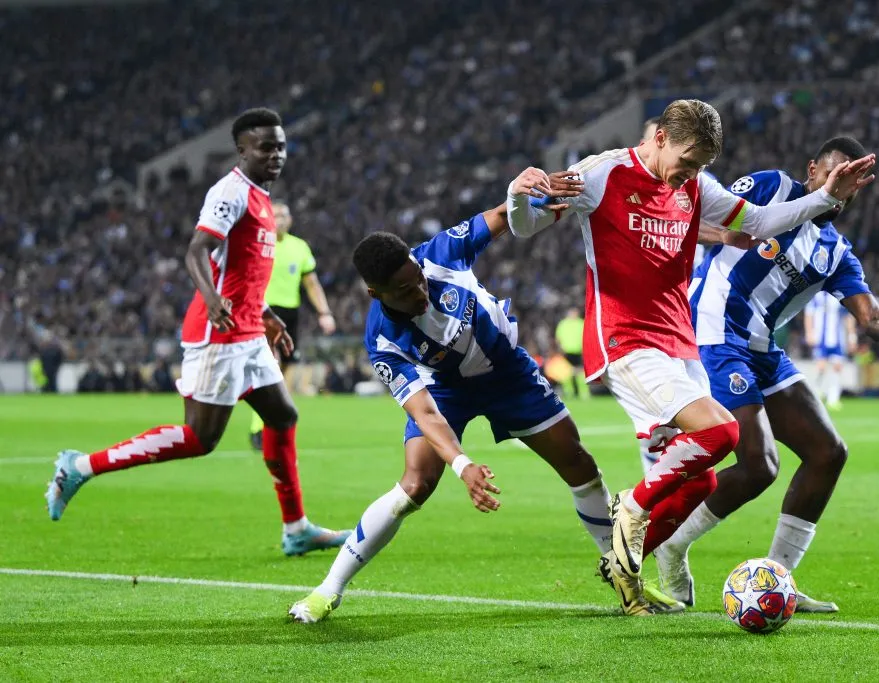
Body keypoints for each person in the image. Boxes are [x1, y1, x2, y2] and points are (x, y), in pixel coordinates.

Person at [506, 99, 876, 615]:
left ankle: (625, 572)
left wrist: (822, 199)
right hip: (625, 338)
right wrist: (518, 196)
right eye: (688, 160)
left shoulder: (695, 186)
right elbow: (526, 226)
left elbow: (764, 221)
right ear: (659, 138)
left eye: (702, 165)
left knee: (699, 478)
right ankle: (630, 513)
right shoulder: (602, 173)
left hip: (678, 343)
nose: (693, 174)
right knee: (723, 433)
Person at [288, 169, 685, 623]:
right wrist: (463, 465)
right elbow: (424, 412)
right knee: (415, 485)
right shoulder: (383, 341)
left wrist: (534, 200)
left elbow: (500, 216)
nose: (419, 291)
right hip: (445, 390)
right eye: (403, 292)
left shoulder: (440, 253)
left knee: (580, 465)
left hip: (509, 374)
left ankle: (623, 580)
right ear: (374, 294)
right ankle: (327, 591)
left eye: (416, 278)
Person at [45, 108, 350, 557]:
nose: (276, 154)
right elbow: (196, 252)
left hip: (248, 331)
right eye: (266, 147)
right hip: (219, 335)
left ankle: (296, 527)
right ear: (242, 150)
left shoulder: (263, 200)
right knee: (199, 439)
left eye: (281, 146)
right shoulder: (230, 192)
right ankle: (80, 466)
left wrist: (265, 313)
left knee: (283, 417)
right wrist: (211, 299)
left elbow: (240, 269)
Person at [651, 136, 879, 613]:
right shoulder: (770, 188)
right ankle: (672, 543)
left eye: (852, 180)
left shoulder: (836, 251)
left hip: (762, 347)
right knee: (760, 464)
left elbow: (872, 319)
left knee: (828, 452)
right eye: (834, 172)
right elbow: (688, 218)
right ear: (811, 171)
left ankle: (777, 577)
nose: (842, 184)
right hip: (715, 331)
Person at [249, 201, 337, 450]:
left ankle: (267, 418)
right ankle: (259, 426)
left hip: (291, 313)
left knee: (284, 369)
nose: (280, 219)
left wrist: (324, 312)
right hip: (264, 310)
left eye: (284, 215)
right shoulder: (258, 244)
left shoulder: (300, 248)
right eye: (275, 215)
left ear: (290, 219)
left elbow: (312, 283)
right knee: (271, 367)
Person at [805, 289, 857, 409]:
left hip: (837, 338)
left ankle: (833, 399)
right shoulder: (816, 295)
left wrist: (851, 337)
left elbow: (848, 317)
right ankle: (816, 394)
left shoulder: (839, 296)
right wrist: (809, 333)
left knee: (837, 367)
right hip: (820, 338)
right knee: (821, 367)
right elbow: (809, 314)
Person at [554, 308, 589, 399]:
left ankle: (583, 393)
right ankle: (569, 392)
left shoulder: (581, 323)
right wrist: (560, 348)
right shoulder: (563, 324)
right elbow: (558, 338)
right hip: (566, 351)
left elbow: (587, 335)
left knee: (580, 372)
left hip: (579, 351)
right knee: (566, 373)